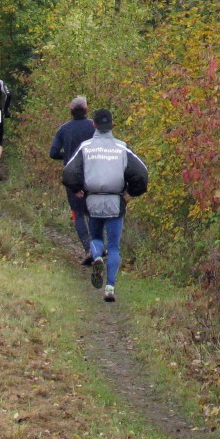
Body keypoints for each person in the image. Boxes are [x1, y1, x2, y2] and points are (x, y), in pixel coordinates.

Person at [61, 108, 148, 302]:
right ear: (112, 125)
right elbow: (142, 173)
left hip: (92, 200)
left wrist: (77, 189)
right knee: (114, 246)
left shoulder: (86, 147)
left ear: (94, 125)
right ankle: (110, 288)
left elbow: (68, 172)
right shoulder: (121, 148)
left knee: (96, 237)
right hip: (115, 201)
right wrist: (131, 192)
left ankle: (97, 257)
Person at [49, 95, 97, 265]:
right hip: (94, 174)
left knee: (78, 213)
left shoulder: (63, 129)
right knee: (93, 212)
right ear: (87, 110)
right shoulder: (95, 127)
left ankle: (88, 248)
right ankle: (98, 247)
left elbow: (53, 153)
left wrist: (67, 156)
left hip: (73, 176)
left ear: (71, 111)